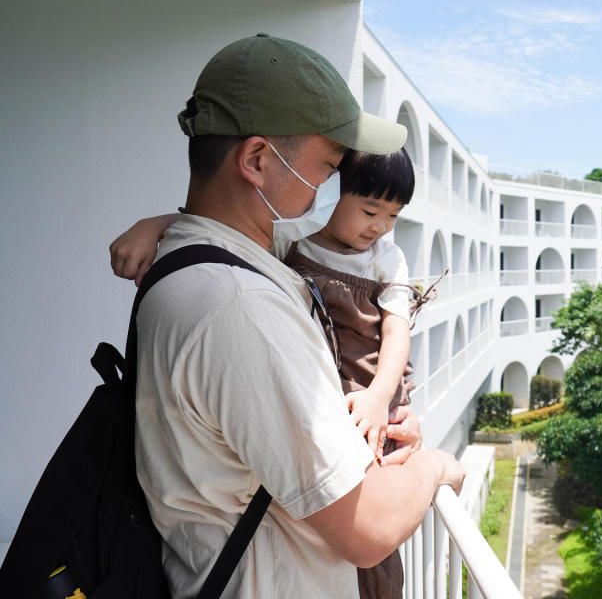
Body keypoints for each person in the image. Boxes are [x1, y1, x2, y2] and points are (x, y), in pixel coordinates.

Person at [125, 33, 464, 599]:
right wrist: (433, 469)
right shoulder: (240, 307)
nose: (331, 190)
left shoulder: (192, 263)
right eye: (328, 167)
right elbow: (368, 529)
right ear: (257, 160)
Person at [112, 147, 429, 599]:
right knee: (351, 530)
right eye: (369, 209)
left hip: (367, 397)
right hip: (316, 406)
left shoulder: (385, 259)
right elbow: (215, 228)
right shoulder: (294, 240)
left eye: (393, 216)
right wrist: (155, 226)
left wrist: (380, 397)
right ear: (333, 195)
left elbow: (398, 333)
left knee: (375, 556)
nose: (378, 226)